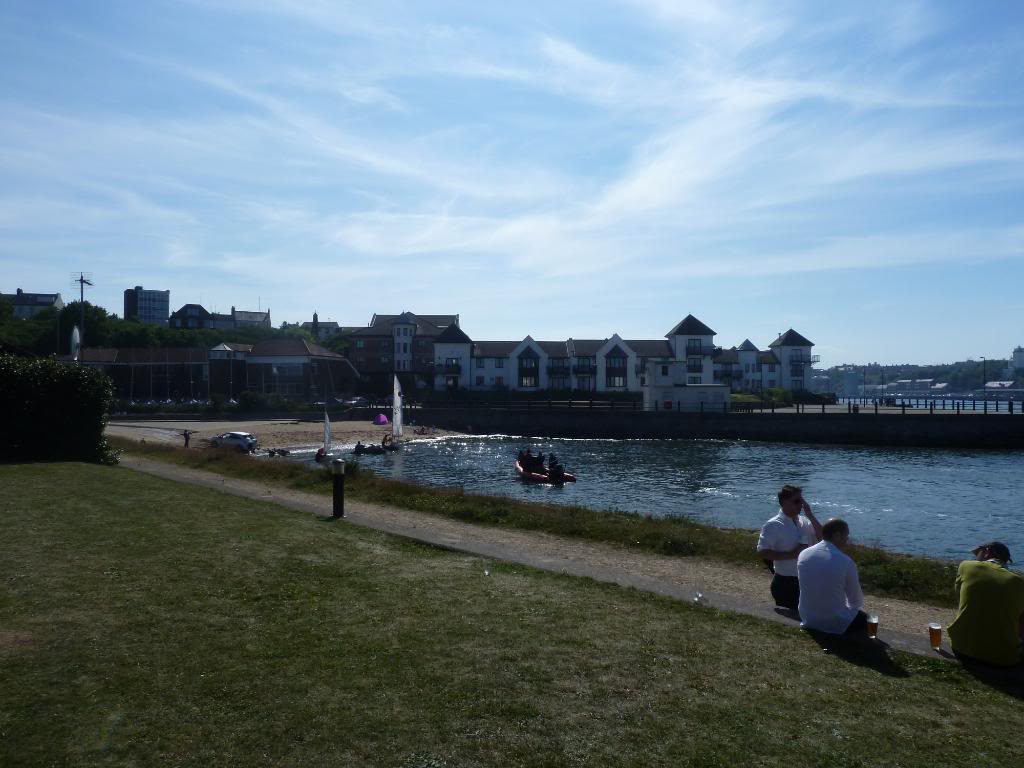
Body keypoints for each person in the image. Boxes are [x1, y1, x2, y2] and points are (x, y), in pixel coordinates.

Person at [948, 541, 1024, 669]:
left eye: (977, 553)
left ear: (987, 552)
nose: (975, 558)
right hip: (1004, 658)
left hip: (961, 647)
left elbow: (960, 599)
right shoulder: (1020, 582)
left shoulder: (966, 566)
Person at [756, 484, 823, 611]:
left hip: (807, 582)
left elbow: (823, 539)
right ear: (784, 502)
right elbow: (762, 552)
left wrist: (810, 515)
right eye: (797, 501)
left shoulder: (804, 522)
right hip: (786, 584)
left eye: (801, 500)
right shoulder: (773, 525)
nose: (801, 505)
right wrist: (792, 555)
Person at [796, 518, 867, 635]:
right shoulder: (845, 561)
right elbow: (856, 601)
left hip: (808, 617)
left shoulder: (804, 554)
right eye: (846, 535)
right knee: (867, 618)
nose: (847, 539)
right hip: (835, 622)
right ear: (837, 536)